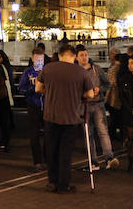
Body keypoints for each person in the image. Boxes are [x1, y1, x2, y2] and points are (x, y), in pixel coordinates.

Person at [35, 44, 95, 194]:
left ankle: (52, 182)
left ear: (59, 55)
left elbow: (38, 89)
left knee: (52, 151)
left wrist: (50, 92)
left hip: (51, 116)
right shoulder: (81, 72)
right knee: (65, 153)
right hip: (71, 117)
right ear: (74, 56)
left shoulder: (48, 68)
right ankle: (63, 184)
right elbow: (90, 94)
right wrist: (79, 94)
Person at [76, 45, 118, 170]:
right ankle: (93, 161)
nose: (84, 57)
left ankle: (109, 158)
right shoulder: (76, 72)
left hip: (98, 104)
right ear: (77, 58)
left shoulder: (96, 69)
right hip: (84, 105)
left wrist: (99, 89)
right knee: (88, 134)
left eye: (85, 54)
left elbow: (107, 84)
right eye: (81, 55)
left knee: (103, 132)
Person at [17, 46, 47, 171]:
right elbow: (20, 89)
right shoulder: (28, 72)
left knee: (49, 134)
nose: (40, 63)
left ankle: (47, 158)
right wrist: (32, 89)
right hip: (33, 105)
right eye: (37, 60)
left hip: (47, 106)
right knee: (34, 135)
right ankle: (37, 161)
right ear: (32, 59)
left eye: (41, 60)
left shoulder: (48, 71)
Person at [105, 48, 123, 139]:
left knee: (115, 116)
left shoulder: (114, 67)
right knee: (116, 116)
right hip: (115, 96)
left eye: (112, 54)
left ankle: (112, 133)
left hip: (113, 95)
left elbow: (111, 81)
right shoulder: (117, 67)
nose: (110, 56)